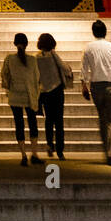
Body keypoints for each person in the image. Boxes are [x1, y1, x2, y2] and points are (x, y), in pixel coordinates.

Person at [81, 19, 111, 165]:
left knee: (102, 119)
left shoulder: (88, 48)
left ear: (93, 32)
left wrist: (84, 85)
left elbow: (84, 68)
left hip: (96, 87)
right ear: (105, 32)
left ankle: (105, 150)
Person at [1, 32, 42, 165]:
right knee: (32, 123)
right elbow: (37, 78)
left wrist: (8, 88)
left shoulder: (9, 59)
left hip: (15, 95)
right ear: (26, 44)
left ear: (14, 44)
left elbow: (4, 75)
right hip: (29, 95)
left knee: (19, 124)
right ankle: (34, 154)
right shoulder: (32, 60)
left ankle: (23, 155)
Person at [36, 32, 73, 160]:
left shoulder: (37, 58)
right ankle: (60, 150)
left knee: (48, 120)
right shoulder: (53, 55)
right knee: (59, 121)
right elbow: (65, 68)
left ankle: (49, 144)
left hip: (44, 92)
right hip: (57, 91)